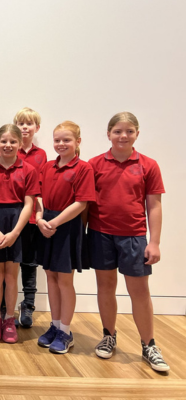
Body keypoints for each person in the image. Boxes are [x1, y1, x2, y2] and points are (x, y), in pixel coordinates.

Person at [88, 112, 169, 372]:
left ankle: (149, 345)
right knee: (105, 287)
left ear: (137, 133)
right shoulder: (94, 164)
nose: (123, 136)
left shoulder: (149, 165)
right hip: (100, 234)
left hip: (134, 237)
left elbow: (154, 206)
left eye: (129, 131)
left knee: (140, 293)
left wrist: (153, 242)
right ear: (108, 133)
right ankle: (108, 336)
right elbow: (85, 203)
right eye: (118, 131)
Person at [35, 121, 95, 354]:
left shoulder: (84, 168)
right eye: (57, 140)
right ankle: (55, 324)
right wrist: (40, 219)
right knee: (51, 277)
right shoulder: (48, 167)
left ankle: (66, 332)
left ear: (77, 142)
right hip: (47, 224)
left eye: (66, 140)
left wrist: (54, 223)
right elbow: (38, 196)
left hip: (67, 227)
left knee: (64, 280)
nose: (61, 144)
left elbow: (81, 202)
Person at [0, 124, 39, 343]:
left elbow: (29, 204)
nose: (8, 145)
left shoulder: (29, 170)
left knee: (11, 275)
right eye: (3, 141)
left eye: (13, 141)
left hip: (18, 225)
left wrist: (15, 233)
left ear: (20, 144)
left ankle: (9, 319)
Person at [0, 107, 46, 327]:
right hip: (2, 220)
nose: (25, 128)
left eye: (29, 124)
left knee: (29, 264)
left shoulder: (40, 156)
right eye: (21, 124)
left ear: (36, 128)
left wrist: (39, 215)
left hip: (29, 219)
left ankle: (28, 305)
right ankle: (2, 311)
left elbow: (38, 191)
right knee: (3, 268)